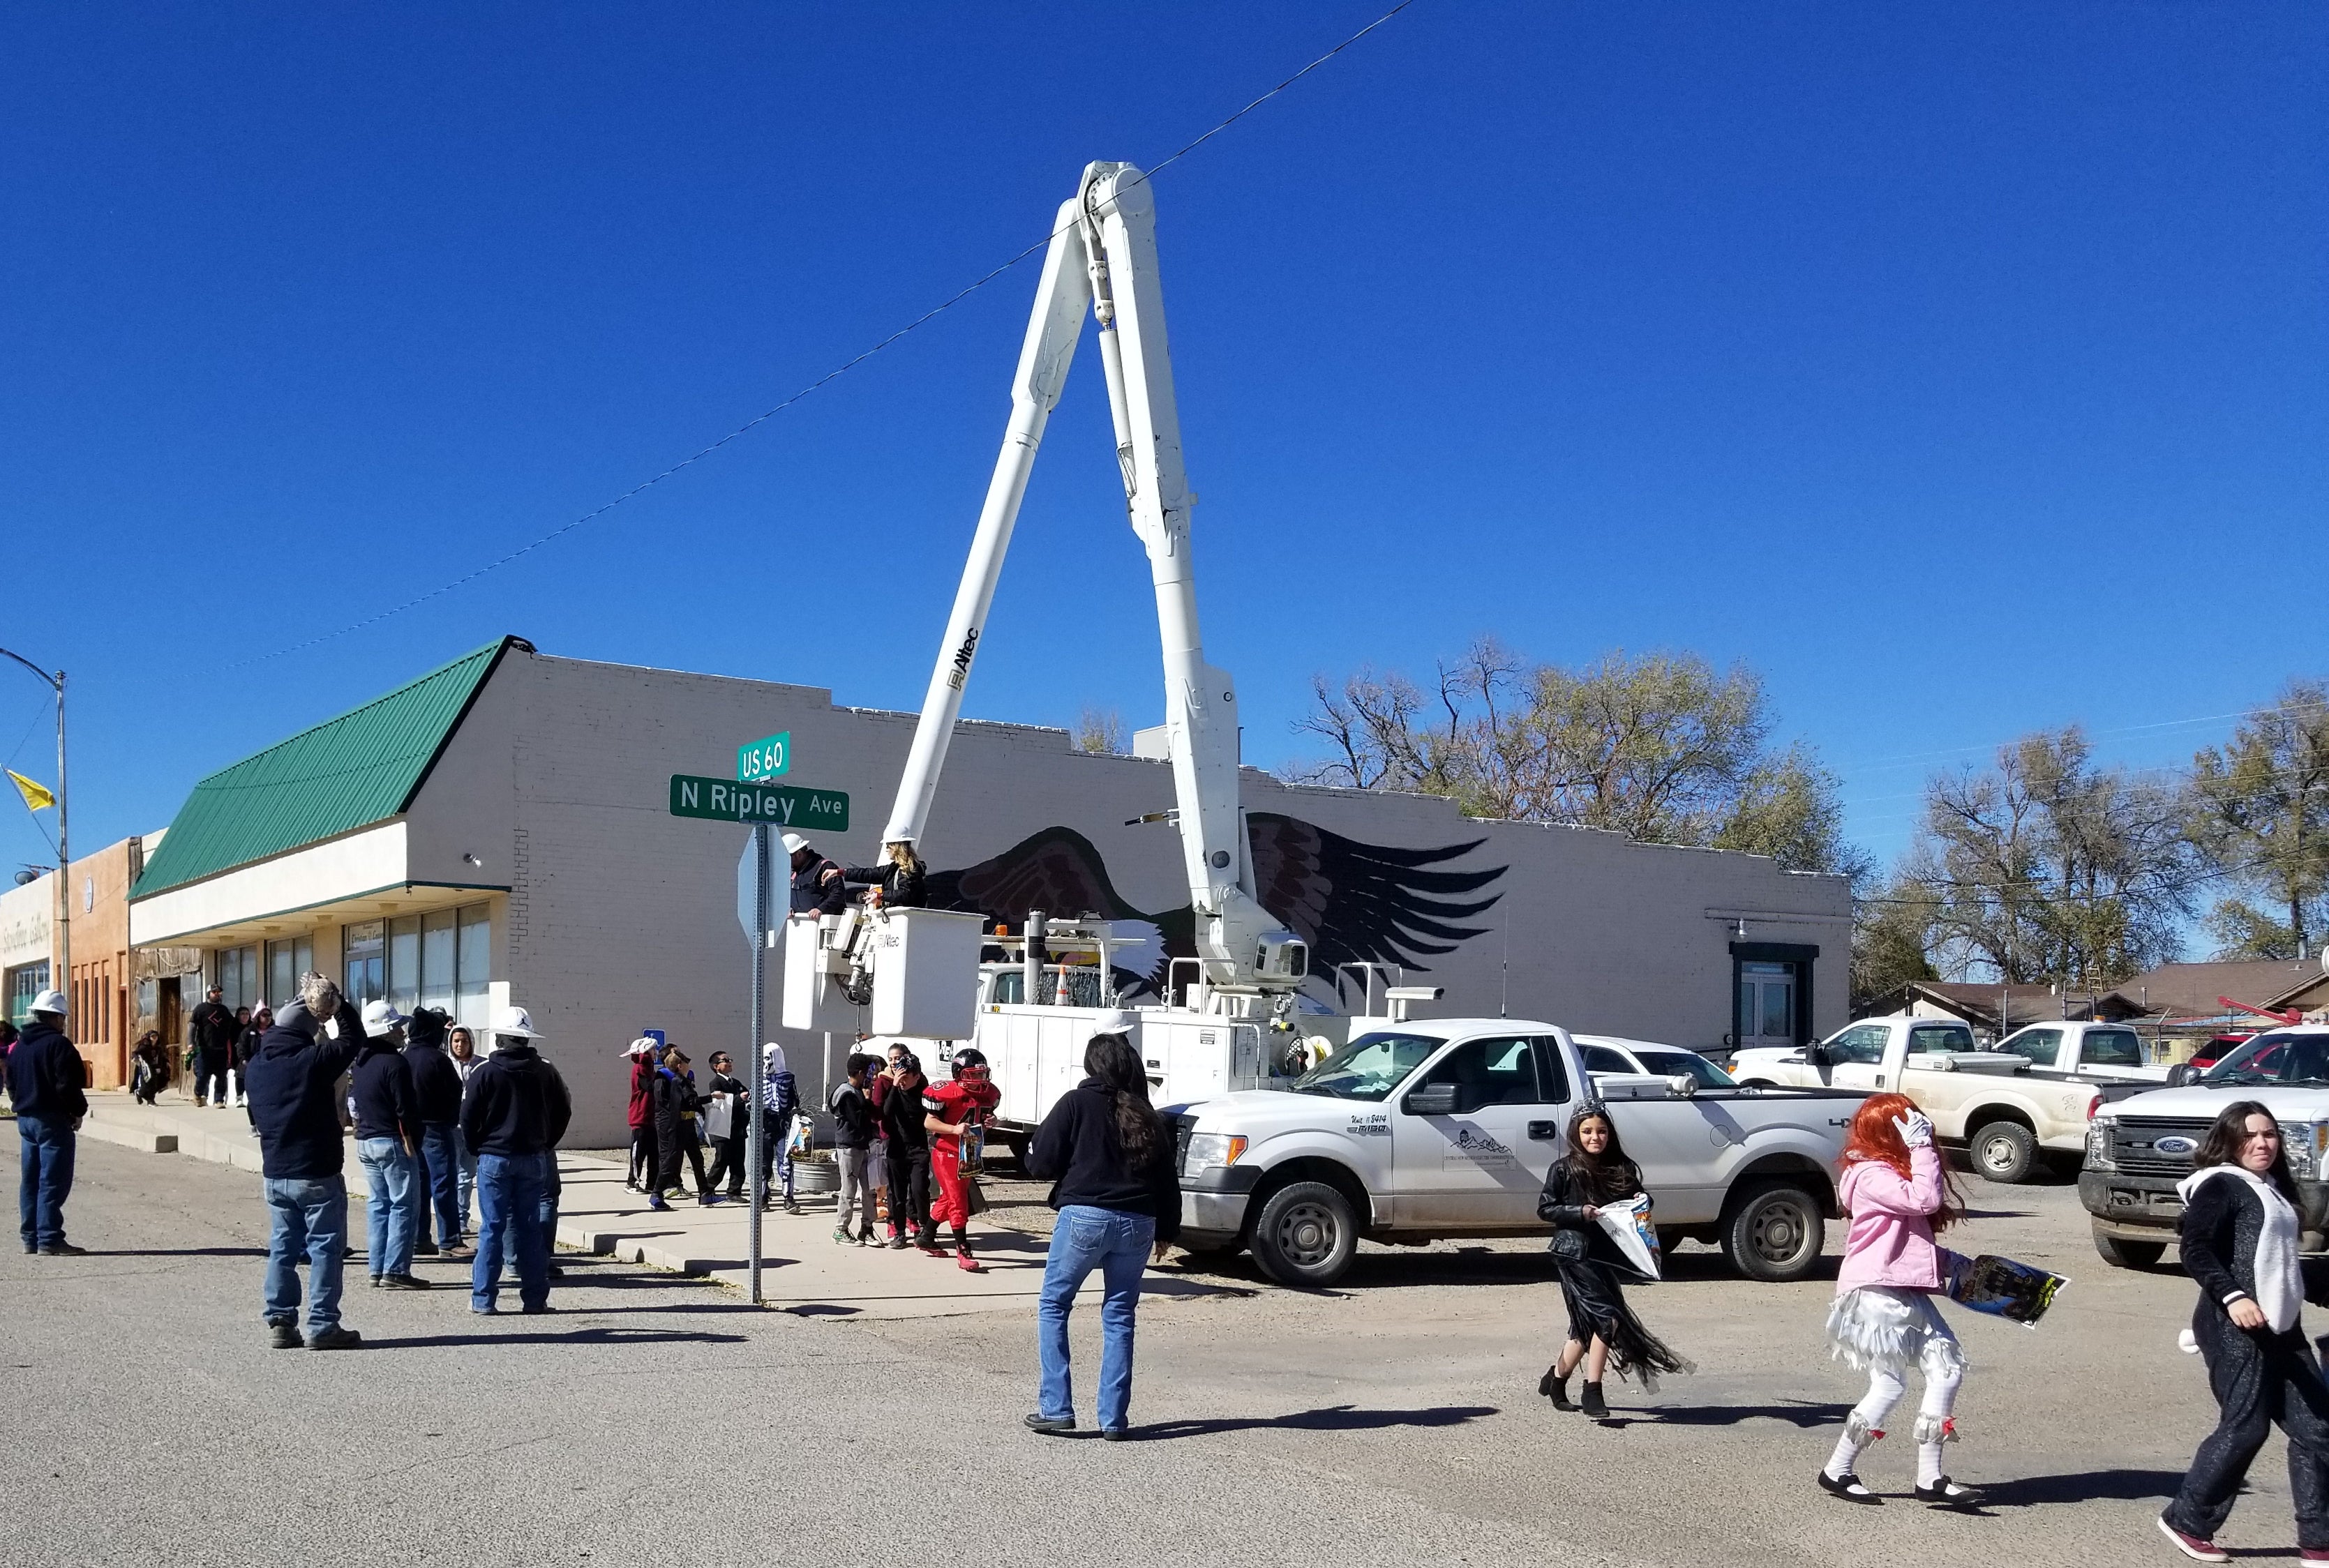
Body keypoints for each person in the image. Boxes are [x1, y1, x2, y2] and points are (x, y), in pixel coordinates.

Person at [2159, 1100, 2329, 1562]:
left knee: (2319, 1428)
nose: (2262, 1143)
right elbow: (2195, 1249)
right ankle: (2186, 1519)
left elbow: (2282, 1268)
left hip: (2281, 1328)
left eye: (2269, 1134)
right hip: (2234, 1327)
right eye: (2250, 1135)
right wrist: (2234, 1298)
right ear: (2230, 1141)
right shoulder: (2221, 1185)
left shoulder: (2271, 1189)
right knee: (2246, 1428)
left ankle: (2318, 1540)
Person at [1021, 1020, 1180, 1438]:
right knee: (1120, 1315)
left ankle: (1056, 1408)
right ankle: (1113, 1418)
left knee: (1055, 1304)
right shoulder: (1148, 1113)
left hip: (1085, 1217)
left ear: (1091, 1066)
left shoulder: (1076, 1103)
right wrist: (1168, 1227)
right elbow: (1167, 1177)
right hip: (1140, 1222)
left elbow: (1039, 1163)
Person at [1818, 1092, 1977, 1507]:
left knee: (1946, 1370)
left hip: (1899, 1288)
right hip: (1874, 1292)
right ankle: (1837, 1469)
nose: (1919, 1128)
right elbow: (1923, 1200)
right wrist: (1923, 1147)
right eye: (1908, 1124)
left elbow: (1903, 1241)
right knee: (1889, 1384)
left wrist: (1952, 1264)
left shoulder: (1886, 1172)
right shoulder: (1871, 1174)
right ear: (1890, 1133)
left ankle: (1930, 1477)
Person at [1535, 1104, 1691, 1419]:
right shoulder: (1563, 1168)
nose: (1596, 1137)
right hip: (1573, 1253)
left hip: (1607, 1254)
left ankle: (1556, 1380)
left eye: (1602, 1131)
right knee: (1607, 1319)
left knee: (1585, 1326)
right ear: (1576, 1135)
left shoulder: (1621, 1167)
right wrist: (1581, 1212)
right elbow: (1546, 1208)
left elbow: (1641, 1202)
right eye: (1588, 1131)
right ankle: (1593, 1390)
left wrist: (1643, 1202)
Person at [245, 972, 366, 1348]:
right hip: (316, 1170)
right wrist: (338, 1004)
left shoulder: (256, 1068)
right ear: (304, 1033)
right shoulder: (311, 1061)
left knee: (283, 1246)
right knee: (325, 1247)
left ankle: (280, 1320)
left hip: (276, 1171)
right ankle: (323, 1324)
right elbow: (354, 1040)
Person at [458, 1004, 569, 1315]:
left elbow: (467, 1117)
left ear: (500, 1041)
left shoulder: (485, 1073)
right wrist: (546, 1143)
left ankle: (483, 1299)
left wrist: (477, 1147)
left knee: (492, 1227)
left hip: (495, 1157)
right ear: (527, 1040)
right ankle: (535, 1300)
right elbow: (564, 1111)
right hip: (533, 1157)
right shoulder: (546, 1071)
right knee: (530, 1227)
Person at [350, 1000, 428, 1290]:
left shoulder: (361, 1062)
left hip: (367, 1140)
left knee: (379, 1206)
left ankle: (377, 1267)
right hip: (393, 1140)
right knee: (404, 1206)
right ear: (386, 1031)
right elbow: (406, 1108)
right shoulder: (396, 1063)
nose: (402, 1032)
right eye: (396, 1027)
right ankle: (395, 1269)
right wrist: (414, 1140)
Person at [10, 988, 88, 1256]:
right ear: (55, 1019)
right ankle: (50, 1238)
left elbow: (10, 1081)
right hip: (52, 1120)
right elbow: (68, 1085)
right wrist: (78, 1111)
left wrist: (22, 1101)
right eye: (62, 1019)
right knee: (53, 1181)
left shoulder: (20, 1045)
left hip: (25, 1119)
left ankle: (30, 1238)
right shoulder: (59, 1045)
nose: (63, 1024)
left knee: (30, 1180)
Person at [924, 1045, 1000, 1271]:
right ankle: (963, 1250)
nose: (979, 1079)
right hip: (947, 1151)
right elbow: (929, 1123)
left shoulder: (990, 1093)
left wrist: (990, 1122)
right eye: (973, 1075)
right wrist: (953, 1129)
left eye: (981, 1074)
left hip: (970, 1152)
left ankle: (926, 1235)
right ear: (959, 1075)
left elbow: (984, 1117)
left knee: (949, 1198)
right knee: (959, 1202)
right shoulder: (947, 1092)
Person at [403, 1007, 470, 1260]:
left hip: (410, 1129)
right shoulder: (437, 1059)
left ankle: (420, 1237)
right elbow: (454, 1092)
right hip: (436, 1128)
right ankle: (450, 1240)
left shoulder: (404, 1056)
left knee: (419, 1186)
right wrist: (451, 1120)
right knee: (443, 1184)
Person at [878, 1051, 933, 1249]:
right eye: (899, 1076)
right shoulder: (895, 1090)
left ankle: (925, 1229)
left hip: (918, 1148)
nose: (902, 1082)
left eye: (906, 1078)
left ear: (917, 1077)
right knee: (897, 1193)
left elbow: (937, 1114)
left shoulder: (924, 1093)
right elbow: (886, 1111)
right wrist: (895, 1086)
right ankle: (899, 1232)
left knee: (919, 1190)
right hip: (897, 1148)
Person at [650, 1044, 714, 1208]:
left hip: (687, 1125)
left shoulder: (683, 1080)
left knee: (697, 1159)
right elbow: (691, 1101)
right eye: (686, 1062)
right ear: (680, 1066)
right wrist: (711, 1097)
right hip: (678, 1126)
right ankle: (656, 1194)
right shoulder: (679, 1081)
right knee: (671, 1159)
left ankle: (705, 1194)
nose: (689, 1065)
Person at [830, 1053, 878, 1245]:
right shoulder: (846, 1094)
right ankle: (840, 1229)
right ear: (859, 1073)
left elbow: (873, 1115)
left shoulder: (858, 1091)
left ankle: (867, 1228)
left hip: (864, 1146)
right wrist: (866, 1100)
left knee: (869, 1190)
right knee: (849, 1190)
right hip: (849, 1147)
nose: (870, 1077)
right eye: (868, 1073)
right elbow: (858, 1120)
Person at [758, 1042, 801, 1213]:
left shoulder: (788, 1078)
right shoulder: (758, 1078)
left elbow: (795, 1101)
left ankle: (788, 1198)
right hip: (764, 1124)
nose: (765, 1063)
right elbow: (753, 1099)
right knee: (763, 1163)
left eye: (768, 1059)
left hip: (783, 1124)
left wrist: (796, 1114)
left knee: (786, 1162)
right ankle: (762, 1197)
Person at [703, 1050, 749, 1200]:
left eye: (730, 1059)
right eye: (725, 1060)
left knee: (738, 1161)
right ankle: (708, 1188)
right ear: (716, 1066)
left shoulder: (735, 1082)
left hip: (738, 1128)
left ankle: (734, 1191)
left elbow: (745, 1093)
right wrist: (738, 1098)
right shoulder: (715, 1083)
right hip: (723, 1128)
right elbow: (719, 1101)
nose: (729, 1062)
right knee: (721, 1160)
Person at [448, 1026, 482, 1233]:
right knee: (452, 1176)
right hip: (451, 1128)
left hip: (472, 1129)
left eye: (464, 1041)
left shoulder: (480, 1065)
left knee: (466, 1177)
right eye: (456, 1041)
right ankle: (453, 1219)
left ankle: (462, 1218)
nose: (460, 1045)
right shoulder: (445, 1064)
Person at [189, 983, 237, 1107]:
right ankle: (198, 1094)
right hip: (205, 1048)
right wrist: (191, 1043)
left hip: (221, 1048)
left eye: (219, 992)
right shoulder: (201, 1009)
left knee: (222, 1076)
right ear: (208, 994)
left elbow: (233, 1025)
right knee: (203, 1075)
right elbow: (193, 1026)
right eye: (214, 992)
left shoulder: (224, 1010)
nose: (217, 994)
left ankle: (219, 1100)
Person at [843, 840, 927, 909]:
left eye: (888, 846)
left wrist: (880, 896)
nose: (886, 849)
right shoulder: (893, 868)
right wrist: (841, 872)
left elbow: (906, 893)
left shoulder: (912, 869)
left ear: (896, 847)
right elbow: (869, 874)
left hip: (907, 919)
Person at [624, 1037, 659, 1193]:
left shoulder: (650, 1068)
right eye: (652, 1050)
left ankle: (652, 1183)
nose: (655, 1052)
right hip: (641, 1116)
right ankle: (632, 1182)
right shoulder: (640, 1068)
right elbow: (649, 1087)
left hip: (651, 1117)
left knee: (654, 1153)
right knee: (638, 1152)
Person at [783, 833, 848, 916]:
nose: (787, 861)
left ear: (799, 854)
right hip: (804, 926)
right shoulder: (795, 875)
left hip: (828, 925)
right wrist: (789, 908)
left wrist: (821, 909)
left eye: (788, 857)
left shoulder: (825, 867)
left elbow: (838, 893)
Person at [236, 1007, 271, 1123]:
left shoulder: (274, 1031)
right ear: (258, 1017)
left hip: (269, 1068)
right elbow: (241, 1047)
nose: (268, 1018)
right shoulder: (248, 1031)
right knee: (254, 1098)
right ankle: (253, 1124)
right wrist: (246, 1061)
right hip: (252, 1068)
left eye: (269, 1015)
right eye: (264, 1015)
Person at [130, 1030, 171, 1106]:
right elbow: (135, 1053)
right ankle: (143, 1095)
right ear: (149, 1037)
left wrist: (167, 1062)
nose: (155, 1038)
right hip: (145, 1067)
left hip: (156, 1066)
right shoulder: (145, 1046)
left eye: (156, 1036)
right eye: (153, 1036)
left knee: (155, 1083)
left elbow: (162, 1056)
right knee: (146, 1083)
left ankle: (149, 1099)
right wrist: (136, 1059)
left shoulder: (158, 1047)